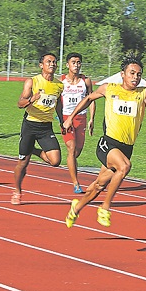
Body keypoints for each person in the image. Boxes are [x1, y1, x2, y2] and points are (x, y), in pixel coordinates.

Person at [64, 55, 146, 228]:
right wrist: (71, 117)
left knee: (99, 185)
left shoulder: (143, 93)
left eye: (139, 74)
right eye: (132, 73)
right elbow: (88, 99)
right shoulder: (109, 88)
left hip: (126, 147)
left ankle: (76, 208)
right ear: (122, 74)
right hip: (108, 143)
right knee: (124, 167)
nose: (135, 77)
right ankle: (105, 207)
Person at [11, 53, 64, 205]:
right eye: (49, 62)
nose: (52, 64)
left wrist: (62, 121)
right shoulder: (32, 82)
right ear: (41, 65)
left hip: (46, 127)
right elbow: (20, 103)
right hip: (30, 125)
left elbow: (58, 104)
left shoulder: (59, 85)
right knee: (22, 163)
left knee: (55, 161)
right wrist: (31, 99)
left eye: (54, 62)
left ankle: (33, 150)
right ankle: (17, 191)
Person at [59, 52, 95, 194]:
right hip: (66, 118)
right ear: (68, 65)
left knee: (77, 151)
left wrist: (92, 118)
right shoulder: (61, 81)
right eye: (73, 62)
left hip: (81, 118)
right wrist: (61, 120)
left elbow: (91, 99)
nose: (76, 65)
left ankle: (70, 162)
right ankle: (76, 184)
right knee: (72, 149)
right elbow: (57, 101)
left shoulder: (85, 81)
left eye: (79, 62)